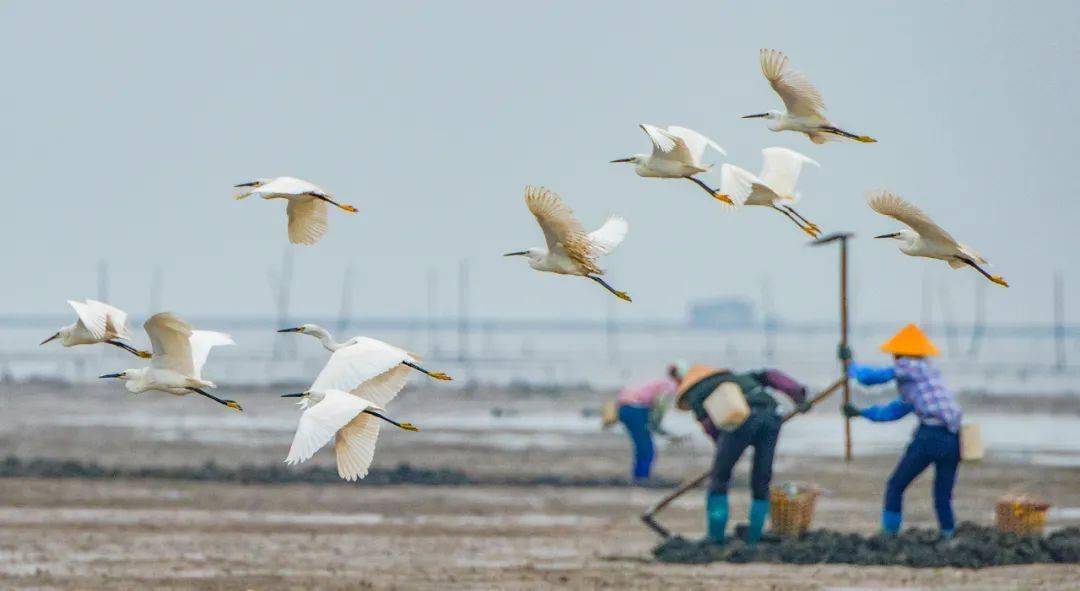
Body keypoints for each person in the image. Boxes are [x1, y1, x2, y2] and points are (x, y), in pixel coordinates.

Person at [839, 323, 962, 539]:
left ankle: (889, 535)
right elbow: (893, 411)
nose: (895, 358)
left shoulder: (911, 365)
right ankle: (949, 537)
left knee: (895, 485)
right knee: (942, 495)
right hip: (953, 438)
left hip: (930, 436)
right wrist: (861, 412)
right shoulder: (926, 378)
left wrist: (850, 366)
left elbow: (871, 378)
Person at [675, 365, 812, 545]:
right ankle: (754, 535)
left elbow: (710, 426)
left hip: (740, 421)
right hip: (771, 415)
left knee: (720, 477)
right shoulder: (742, 376)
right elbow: (771, 375)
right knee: (761, 477)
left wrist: (727, 449)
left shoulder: (697, 393)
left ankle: (715, 536)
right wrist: (798, 397)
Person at [615, 362, 686, 483]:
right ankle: (641, 477)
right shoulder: (670, 387)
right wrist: (666, 434)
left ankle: (639, 475)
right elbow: (657, 413)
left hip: (625, 408)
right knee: (647, 448)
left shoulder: (661, 382)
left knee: (641, 446)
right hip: (635, 409)